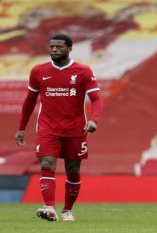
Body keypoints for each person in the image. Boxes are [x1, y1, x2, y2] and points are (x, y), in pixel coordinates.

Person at [15, 34, 103, 222]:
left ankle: (67, 210)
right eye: (52, 47)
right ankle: (49, 207)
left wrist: (94, 120)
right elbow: (29, 101)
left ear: (70, 49)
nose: (54, 50)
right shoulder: (39, 71)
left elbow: (96, 99)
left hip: (76, 129)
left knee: (72, 169)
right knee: (47, 164)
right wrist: (22, 127)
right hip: (48, 128)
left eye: (59, 47)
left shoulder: (83, 71)